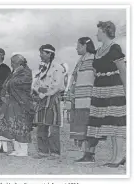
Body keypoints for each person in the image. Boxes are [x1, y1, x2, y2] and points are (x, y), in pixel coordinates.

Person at [76, 21, 126, 167]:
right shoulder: (98, 51)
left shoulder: (115, 48)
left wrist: (127, 91)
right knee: (108, 124)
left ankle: (119, 157)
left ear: (104, 31)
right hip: (100, 89)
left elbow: (123, 70)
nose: (96, 34)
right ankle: (114, 157)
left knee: (117, 124)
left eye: (98, 31)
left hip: (114, 88)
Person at [0, 54, 35, 156]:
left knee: (21, 126)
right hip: (11, 103)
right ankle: (16, 149)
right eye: (11, 62)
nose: (11, 64)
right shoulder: (14, 72)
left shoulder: (26, 72)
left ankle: (23, 150)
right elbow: (6, 84)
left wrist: (9, 84)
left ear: (20, 63)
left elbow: (21, 83)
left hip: (21, 102)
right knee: (12, 125)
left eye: (13, 62)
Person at [32, 44, 66, 159]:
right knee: (41, 125)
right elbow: (36, 84)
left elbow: (56, 86)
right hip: (42, 99)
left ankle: (55, 152)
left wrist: (43, 92)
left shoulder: (58, 68)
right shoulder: (42, 68)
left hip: (52, 99)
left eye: (42, 53)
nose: (40, 55)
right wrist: (39, 91)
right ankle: (43, 151)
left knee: (53, 126)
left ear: (49, 54)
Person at [68, 37, 96, 151]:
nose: (76, 48)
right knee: (80, 123)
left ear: (85, 46)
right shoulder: (80, 60)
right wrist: (71, 90)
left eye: (79, 46)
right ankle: (85, 152)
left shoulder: (94, 58)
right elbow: (74, 77)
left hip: (89, 97)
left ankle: (89, 153)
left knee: (89, 124)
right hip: (79, 97)